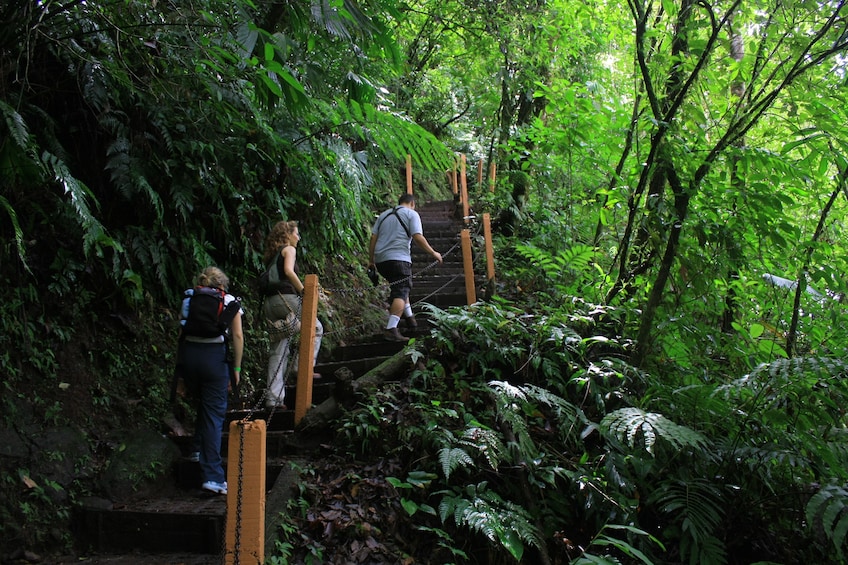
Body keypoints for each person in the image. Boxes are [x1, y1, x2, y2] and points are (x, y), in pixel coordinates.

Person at [178, 266, 243, 496]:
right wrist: (236, 367)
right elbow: (236, 335)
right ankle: (213, 478)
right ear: (222, 285)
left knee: (204, 408)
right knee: (214, 415)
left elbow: (182, 333)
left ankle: (196, 450)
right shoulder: (229, 301)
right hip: (214, 360)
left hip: (190, 358)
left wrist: (181, 375)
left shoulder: (189, 297)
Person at [261, 220, 323, 409]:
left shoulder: (272, 256)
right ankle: (301, 367)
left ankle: (274, 399)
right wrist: (304, 290)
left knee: (279, 348)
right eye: (296, 233)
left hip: (270, 303)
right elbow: (288, 271)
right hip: (286, 298)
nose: (299, 237)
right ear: (287, 235)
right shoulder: (289, 249)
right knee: (316, 327)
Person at [369, 194, 442, 341]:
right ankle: (391, 328)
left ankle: (410, 319)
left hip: (381, 261)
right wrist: (433, 252)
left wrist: (371, 260)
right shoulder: (411, 214)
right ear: (412, 203)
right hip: (398, 258)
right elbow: (417, 237)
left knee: (401, 288)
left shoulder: (383, 215)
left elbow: (373, 238)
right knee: (401, 291)